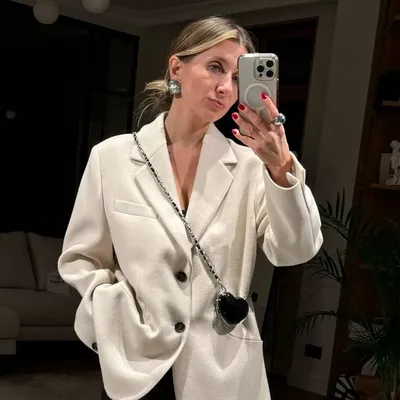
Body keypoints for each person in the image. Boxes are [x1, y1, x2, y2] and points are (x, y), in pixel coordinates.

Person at [58, 15, 323, 400]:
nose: (225, 86)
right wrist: (110, 309)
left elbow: (295, 250)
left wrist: (281, 167)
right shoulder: (111, 157)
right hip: (135, 362)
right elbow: (81, 258)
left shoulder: (250, 168)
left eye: (237, 77)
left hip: (221, 369)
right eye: (215, 66)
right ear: (176, 68)